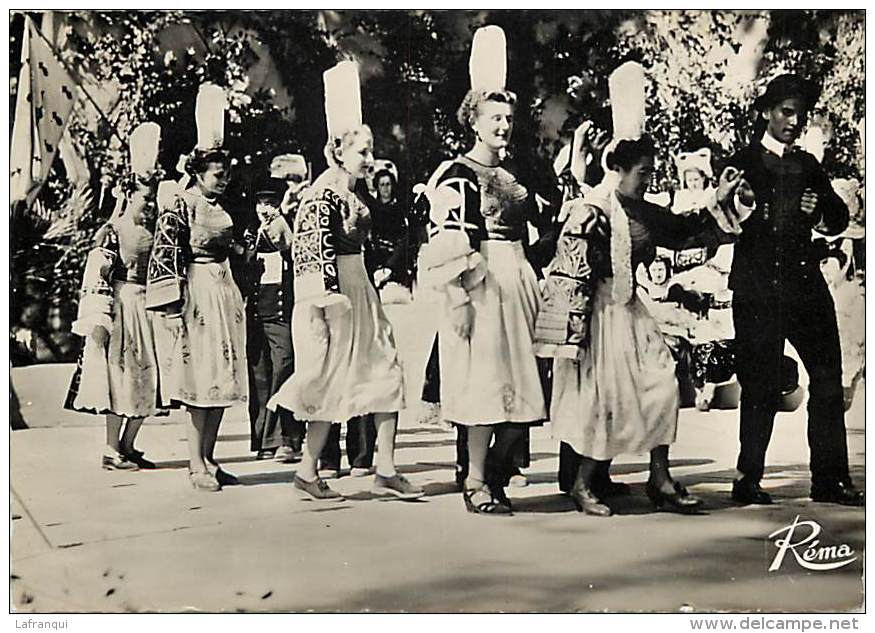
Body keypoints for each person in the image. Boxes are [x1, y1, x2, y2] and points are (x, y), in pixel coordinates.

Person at [536, 62, 743, 516]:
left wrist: (722, 198)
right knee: (604, 396)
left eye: (650, 172)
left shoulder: (645, 211)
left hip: (632, 311)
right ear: (619, 167)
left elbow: (687, 232)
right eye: (642, 172)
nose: (648, 179)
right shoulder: (593, 208)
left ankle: (660, 478)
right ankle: (584, 483)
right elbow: (565, 263)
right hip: (598, 316)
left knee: (663, 382)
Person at [268, 61, 423, 501]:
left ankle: (386, 467)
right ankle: (307, 469)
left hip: (360, 288)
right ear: (338, 152)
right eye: (362, 152)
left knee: (386, 370)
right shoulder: (321, 195)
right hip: (337, 297)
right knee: (334, 379)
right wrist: (326, 309)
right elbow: (309, 253)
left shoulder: (351, 193)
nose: (369, 160)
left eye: (371, 151)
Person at [417, 26, 550, 515]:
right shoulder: (456, 174)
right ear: (474, 120)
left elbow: (539, 228)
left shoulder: (517, 175)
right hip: (482, 286)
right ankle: (476, 480)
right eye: (495, 117)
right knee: (484, 387)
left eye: (509, 118)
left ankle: (494, 474)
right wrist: (459, 300)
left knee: (527, 389)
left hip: (519, 282)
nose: (504, 126)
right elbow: (449, 243)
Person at [724, 74, 863, 507]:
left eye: (800, 113)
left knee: (826, 379)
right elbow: (720, 212)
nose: (795, 120)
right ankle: (747, 479)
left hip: (805, 287)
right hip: (757, 289)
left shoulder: (808, 165)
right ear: (766, 111)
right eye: (786, 110)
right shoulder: (741, 161)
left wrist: (820, 209)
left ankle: (830, 478)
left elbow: (839, 219)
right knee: (760, 385)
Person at [146, 84, 248, 492]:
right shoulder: (180, 203)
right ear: (199, 173)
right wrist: (172, 306)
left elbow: (233, 245)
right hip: (197, 294)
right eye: (218, 175)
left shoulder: (223, 207)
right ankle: (193, 464)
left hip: (224, 291)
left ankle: (209, 457)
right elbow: (165, 252)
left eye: (227, 175)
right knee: (199, 378)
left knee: (222, 378)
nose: (224, 181)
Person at [64, 122, 167, 471]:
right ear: (128, 195)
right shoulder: (113, 231)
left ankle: (128, 444)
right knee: (119, 376)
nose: (150, 204)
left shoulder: (156, 230)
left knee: (149, 377)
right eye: (144, 197)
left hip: (148, 306)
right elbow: (98, 275)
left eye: (153, 198)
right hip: (122, 306)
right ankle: (111, 448)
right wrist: (99, 318)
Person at [245, 163, 307, 462]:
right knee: (259, 376)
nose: (265, 209)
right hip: (257, 313)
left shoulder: (287, 228)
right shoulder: (250, 233)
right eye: (261, 204)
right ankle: (263, 440)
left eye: (271, 203)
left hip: (283, 311)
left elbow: (293, 254)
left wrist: (282, 230)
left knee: (285, 367)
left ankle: (288, 438)